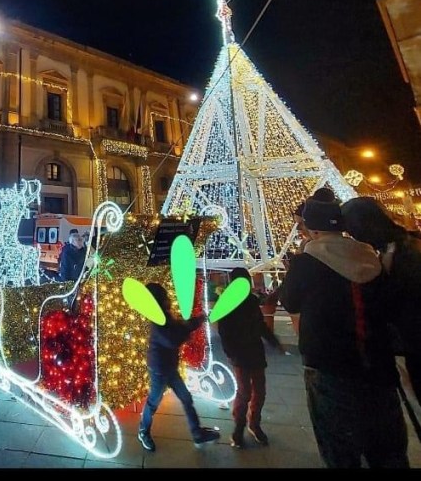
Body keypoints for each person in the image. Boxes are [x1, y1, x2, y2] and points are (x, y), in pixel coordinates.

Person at [279, 198, 409, 468]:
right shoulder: (368, 255)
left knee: (339, 448)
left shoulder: (307, 261)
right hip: (377, 365)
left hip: (329, 367)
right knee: (388, 449)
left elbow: (290, 301)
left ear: (311, 229)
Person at [342, 196, 421, 404]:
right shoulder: (393, 249)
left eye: (351, 229)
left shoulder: (408, 253)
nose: (351, 235)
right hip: (408, 344)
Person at [137, 282, 220, 452]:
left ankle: (197, 434)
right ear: (158, 301)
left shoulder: (166, 316)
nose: (169, 299)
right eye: (165, 297)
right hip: (159, 370)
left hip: (170, 368)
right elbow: (172, 340)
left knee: (186, 398)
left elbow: (181, 327)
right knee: (153, 402)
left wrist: (199, 320)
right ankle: (143, 431)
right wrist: (187, 331)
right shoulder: (157, 319)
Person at [218, 267, 285, 449]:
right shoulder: (227, 304)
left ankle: (254, 423)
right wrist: (231, 353)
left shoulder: (252, 301)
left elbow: (260, 325)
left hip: (255, 352)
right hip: (240, 354)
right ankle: (239, 427)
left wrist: (273, 341)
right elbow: (224, 332)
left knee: (260, 391)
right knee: (244, 392)